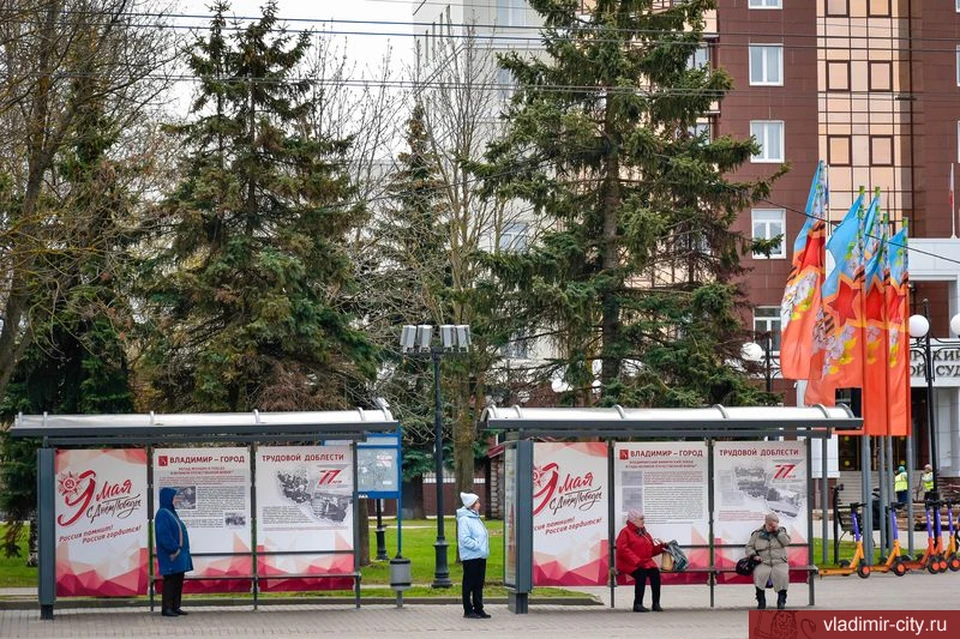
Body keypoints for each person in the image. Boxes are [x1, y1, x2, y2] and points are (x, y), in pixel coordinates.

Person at [615, 510, 666, 612]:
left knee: (655, 574)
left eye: (643, 519)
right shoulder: (625, 532)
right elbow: (622, 550)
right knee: (641, 575)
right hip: (628, 563)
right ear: (633, 520)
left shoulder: (645, 533)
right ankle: (637, 604)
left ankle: (656, 603)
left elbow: (651, 550)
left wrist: (662, 547)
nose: (643, 521)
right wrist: (636, 561)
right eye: (641, 519)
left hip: (644, 562)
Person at [155, 487, 193, 617]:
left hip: (177, 556)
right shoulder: (163, 513)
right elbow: (164, 535)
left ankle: (175, 606)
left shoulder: (170, 512)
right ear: (168, 498)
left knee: (177, 580)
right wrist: (174, 548)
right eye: (174, 497)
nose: (176, 500)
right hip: (171, 556)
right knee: (170, 581)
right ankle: (167, 608)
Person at [746, 512, 791, 610]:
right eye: (770, 525)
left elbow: (786, 542)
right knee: (759, 574)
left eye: (775, 524)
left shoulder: (781, 532)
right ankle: (761, 600)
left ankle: (781, 600)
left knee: (782, 575)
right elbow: (749, 547)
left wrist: (778, 532)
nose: (772, 527)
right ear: (766, 523)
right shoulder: (757, 534)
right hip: (763, 562)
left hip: (779, 561)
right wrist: (754, 555)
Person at [457, 491, 490, 619]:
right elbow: (464, 538)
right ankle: (468, 609)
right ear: (471, 505)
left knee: (479, 584)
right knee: (469, 583)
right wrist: (477, 546)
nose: (479, 505)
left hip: (480, 555)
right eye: (477, 503)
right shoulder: (465, 519)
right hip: (471, 557)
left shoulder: (475, 518)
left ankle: (479, 608)